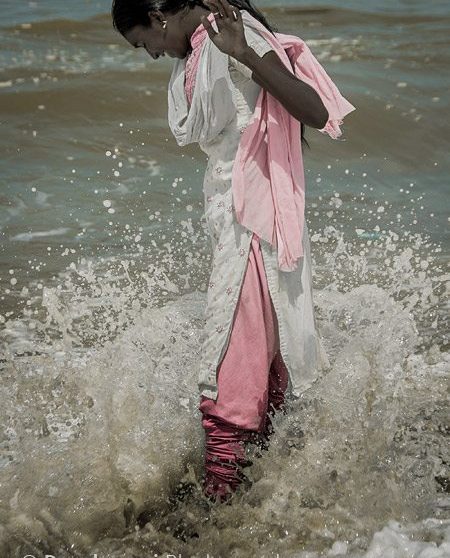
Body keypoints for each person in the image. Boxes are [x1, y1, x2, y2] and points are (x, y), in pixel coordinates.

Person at [111, 0, 355, 504]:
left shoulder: (235, 36)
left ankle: (219, 507)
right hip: (234, 217)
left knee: (228, 366)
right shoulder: (196, 53)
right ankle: (258, 498)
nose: (152, 54)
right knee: (261, 361)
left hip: (256, 220)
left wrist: (244, 51)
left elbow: (315, 110)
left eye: (144, 43)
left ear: (158, 15)